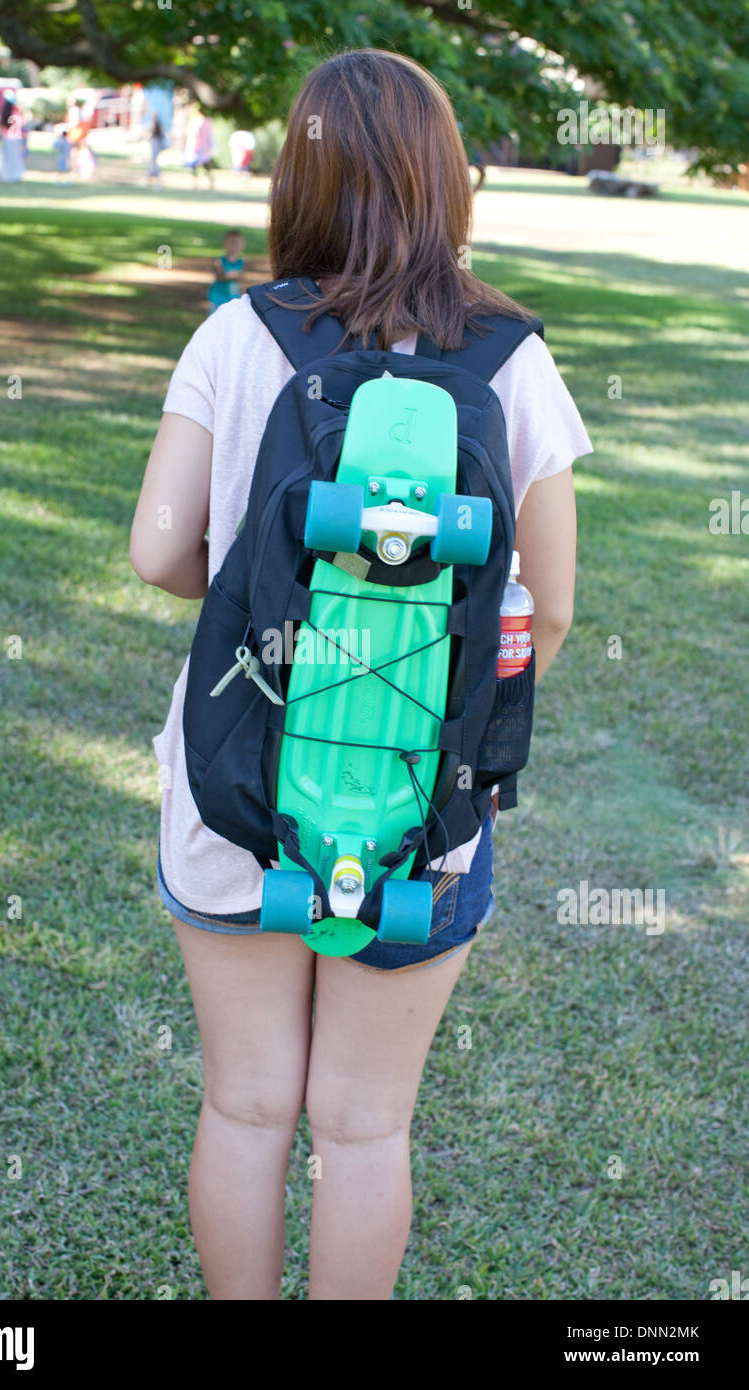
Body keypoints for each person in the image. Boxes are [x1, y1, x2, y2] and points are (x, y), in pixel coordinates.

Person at [130, 48, 591, 1301]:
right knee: (363, 1127)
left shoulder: (236, 335)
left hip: (237, 791)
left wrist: (263, 593)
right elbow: (546, 607)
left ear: (299, 174)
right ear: (449, 182)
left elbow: (158, 549)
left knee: (244, 1106)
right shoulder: (511, 359)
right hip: (420, 806)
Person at [206, 229, 245, 316]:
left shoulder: (241, 262)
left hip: (233, 298)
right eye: (232, 243)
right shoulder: (220, 261)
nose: (234, 245)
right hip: (218, 299)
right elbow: (218, 277)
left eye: (237, 243)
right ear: (225, 244)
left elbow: (242, 278)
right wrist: (228, 276)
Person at [182, 109, 216, 188]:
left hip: (197, 147)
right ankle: (206, 182)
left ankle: (196, 183)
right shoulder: (209, 122)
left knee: (196, 166)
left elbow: (194, 135)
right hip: (204, 147)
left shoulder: (198, 122)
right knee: (205, 166)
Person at [147, 114, 165, 186]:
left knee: (154, 165)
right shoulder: (154, 125)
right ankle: (149, 182)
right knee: (152, 165)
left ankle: (157, 183)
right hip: (155, 146)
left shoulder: (158, 126)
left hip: (156, 146)